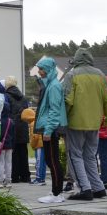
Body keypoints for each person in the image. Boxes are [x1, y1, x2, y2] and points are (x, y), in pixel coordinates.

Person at [62, 48, 107, 201]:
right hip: (94, 123)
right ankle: (99, 188)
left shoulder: (72, 75)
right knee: (90, 156)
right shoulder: (100, 75)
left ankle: (85, 189)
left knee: (74, 155)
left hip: (76, 122)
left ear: (76, 60)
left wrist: (61, 121)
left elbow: (67, 100)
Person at [34, 57, 69, 204]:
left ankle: (57, 193)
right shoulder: (50, 84)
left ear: (47, 69)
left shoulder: (54, 86)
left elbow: (54, 110)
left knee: (53, 160)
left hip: (51, 128)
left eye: (41, 69)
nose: (39, 72)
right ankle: (56, 191)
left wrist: (48, 130)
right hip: (49, 127)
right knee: (50, 160)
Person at [4, 76, 30, 183]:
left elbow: (6, 111)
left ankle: (14, 176)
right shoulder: (23, 97)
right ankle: (25, 176)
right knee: (23, 152)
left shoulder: (6, 96)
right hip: (23, 126)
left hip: (12, 126)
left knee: (13, 153)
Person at [22, 108, 47, 185]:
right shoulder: (37, 121)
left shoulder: (33, 123)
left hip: (38, 145)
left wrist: (32, 145)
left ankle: (38, 178)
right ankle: (42, 178)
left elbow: (35, 136)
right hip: (42, 145)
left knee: (39, 162)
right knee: (43, 162)